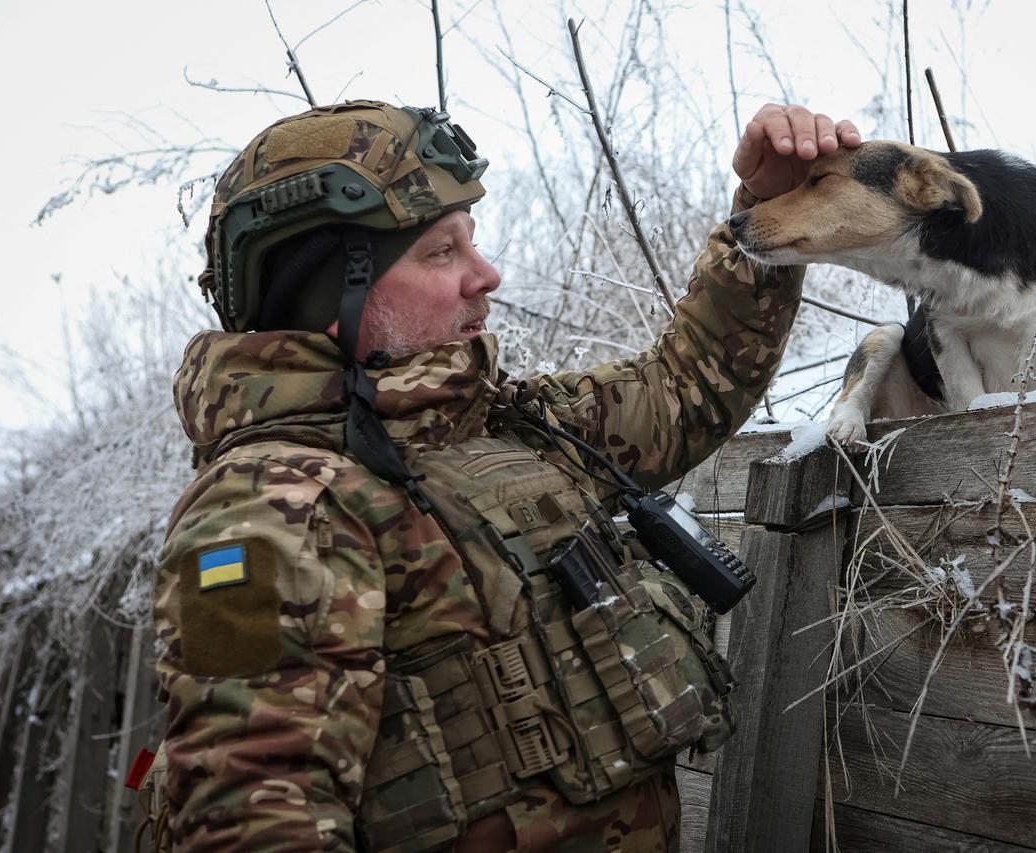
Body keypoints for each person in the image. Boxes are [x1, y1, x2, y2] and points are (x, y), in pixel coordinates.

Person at [141, 99, 860, 852]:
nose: (486, 276)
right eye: (440, 252)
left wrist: (770, 213)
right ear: (329, 294)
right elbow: (253, 820)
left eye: (471, 243)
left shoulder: (495, 425)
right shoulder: (272, 506)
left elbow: (683, 388)